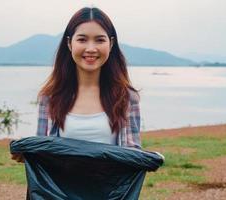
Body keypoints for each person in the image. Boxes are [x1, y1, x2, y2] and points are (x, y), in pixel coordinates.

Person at [12, 6, 141, 163]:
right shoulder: (50, 97)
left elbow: (133, 156)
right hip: (59, 188)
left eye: (100, 40)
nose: (91, 48)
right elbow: (43, 152)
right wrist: (27, 152)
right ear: (69, 43)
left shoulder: (126, 97)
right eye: (82, 39)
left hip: (109, 187)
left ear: (111, 44)